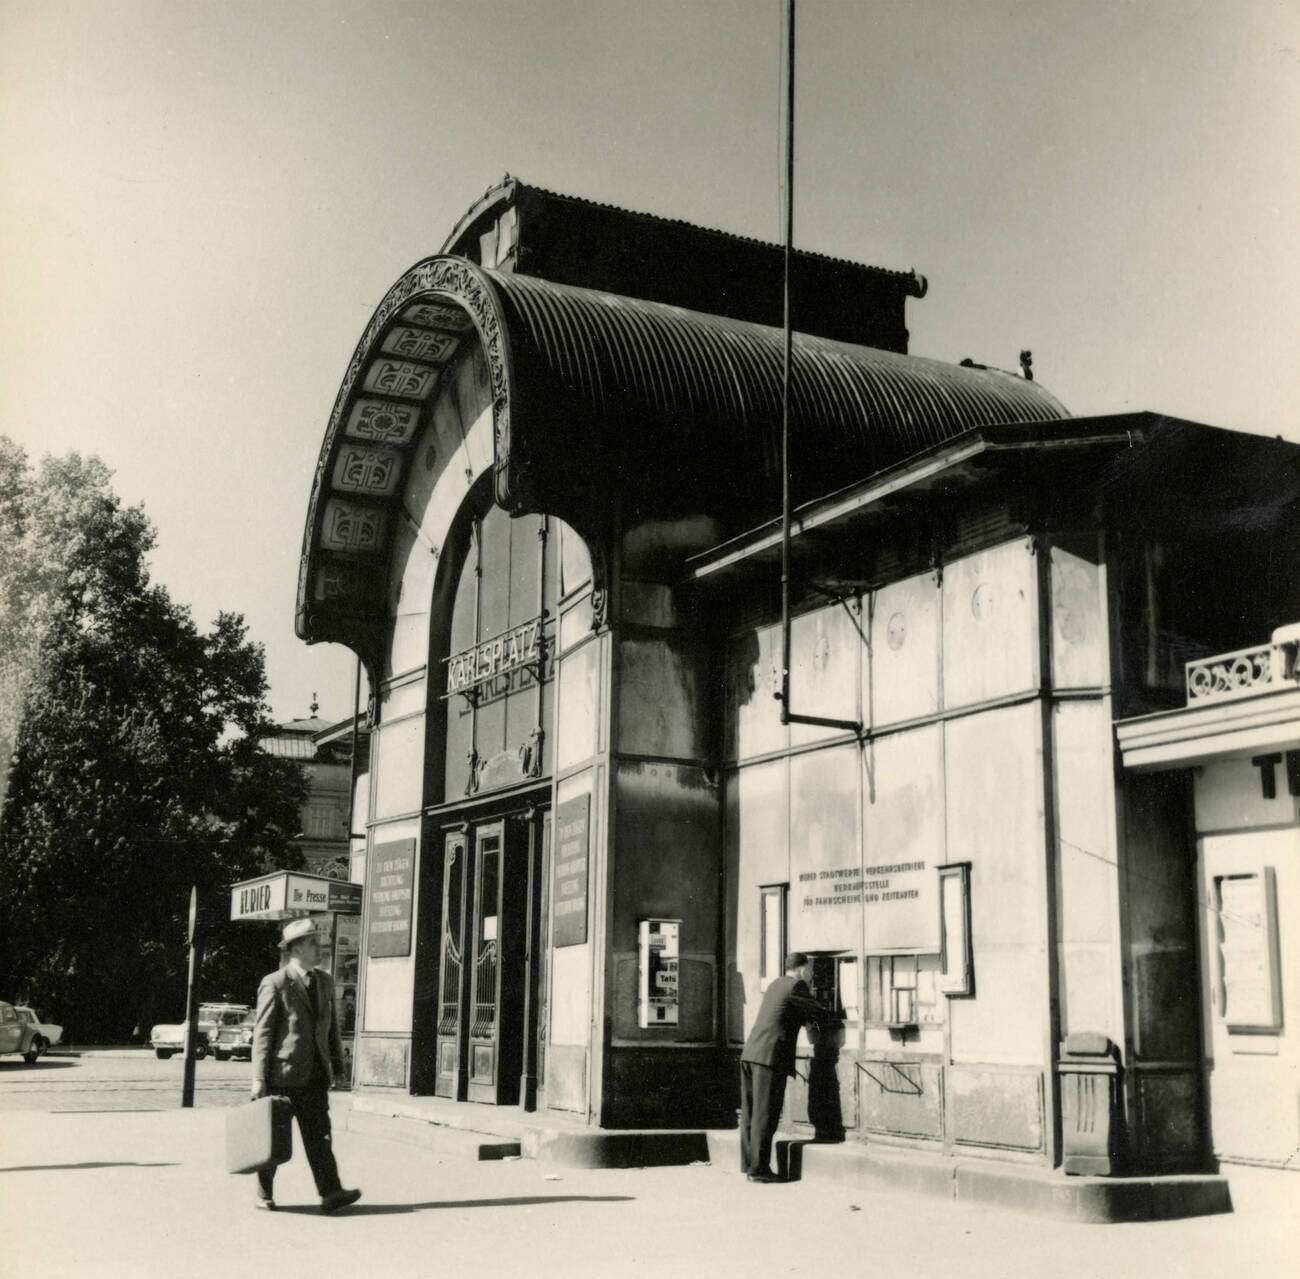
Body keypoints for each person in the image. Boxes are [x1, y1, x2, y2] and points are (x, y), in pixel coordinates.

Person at [250, 917, 362, 1213]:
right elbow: (263, 1034)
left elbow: (331, 1029)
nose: (319, 947)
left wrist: (337, 1066)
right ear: (296, 948)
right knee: (273, 1139)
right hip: (282, 1077)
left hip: (314, 1077)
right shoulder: (275, 983)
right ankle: (264, 1193)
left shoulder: (324, 981)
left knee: (320, 1138)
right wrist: (258, 1078)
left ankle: (331, 1192)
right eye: (313, 942)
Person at [738, 951, 832, 1183]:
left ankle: (749, 1166)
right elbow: (818, 1012)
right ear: (802, 969)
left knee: (750, 1113)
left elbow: (789, 1012)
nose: (810, 974)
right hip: (770, 1057)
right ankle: (759, 1170)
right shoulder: (797, 985)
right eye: (809, 969)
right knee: (765, 1114)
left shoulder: (775, 984)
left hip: (751, 1053)